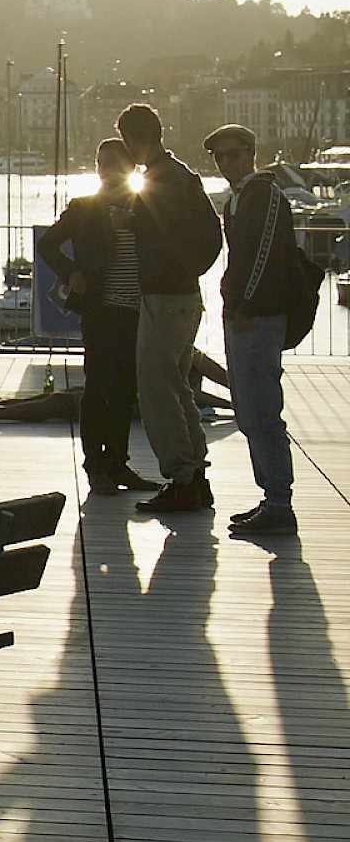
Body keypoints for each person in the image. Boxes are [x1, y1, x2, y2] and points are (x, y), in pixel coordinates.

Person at [35, 138, 159, 495]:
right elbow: (47, 244)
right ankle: (95, 466)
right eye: (100, 163)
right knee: (98, 389)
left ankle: (118, 464)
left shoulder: (146, 207)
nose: (105, 170)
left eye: (113, 163)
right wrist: (70, 272)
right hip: (101, 308)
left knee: (125, 391)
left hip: (137, 310)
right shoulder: (84, 207)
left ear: (130, 167)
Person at [116, 103, 223, 516]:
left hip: (164, 297)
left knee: (157, 391)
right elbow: (205, 237)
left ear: (131, 139)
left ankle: (183, 478)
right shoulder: (182, 176)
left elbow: (160, 234)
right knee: (177, 387)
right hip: (184, 296)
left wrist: (130, 224)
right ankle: (195, 474)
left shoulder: (159, 180)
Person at [204, 123, 299, 536]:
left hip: (257, 317)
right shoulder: (239, 197)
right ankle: (271, 498)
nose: (226, 162)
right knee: (249, 410)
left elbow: (262, 256)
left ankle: (279, 504)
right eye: (219, 157)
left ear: (251, 152)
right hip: (243, 316)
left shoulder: (264, 194)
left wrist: (242, 306)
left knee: (262, 411)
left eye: (234, 154)